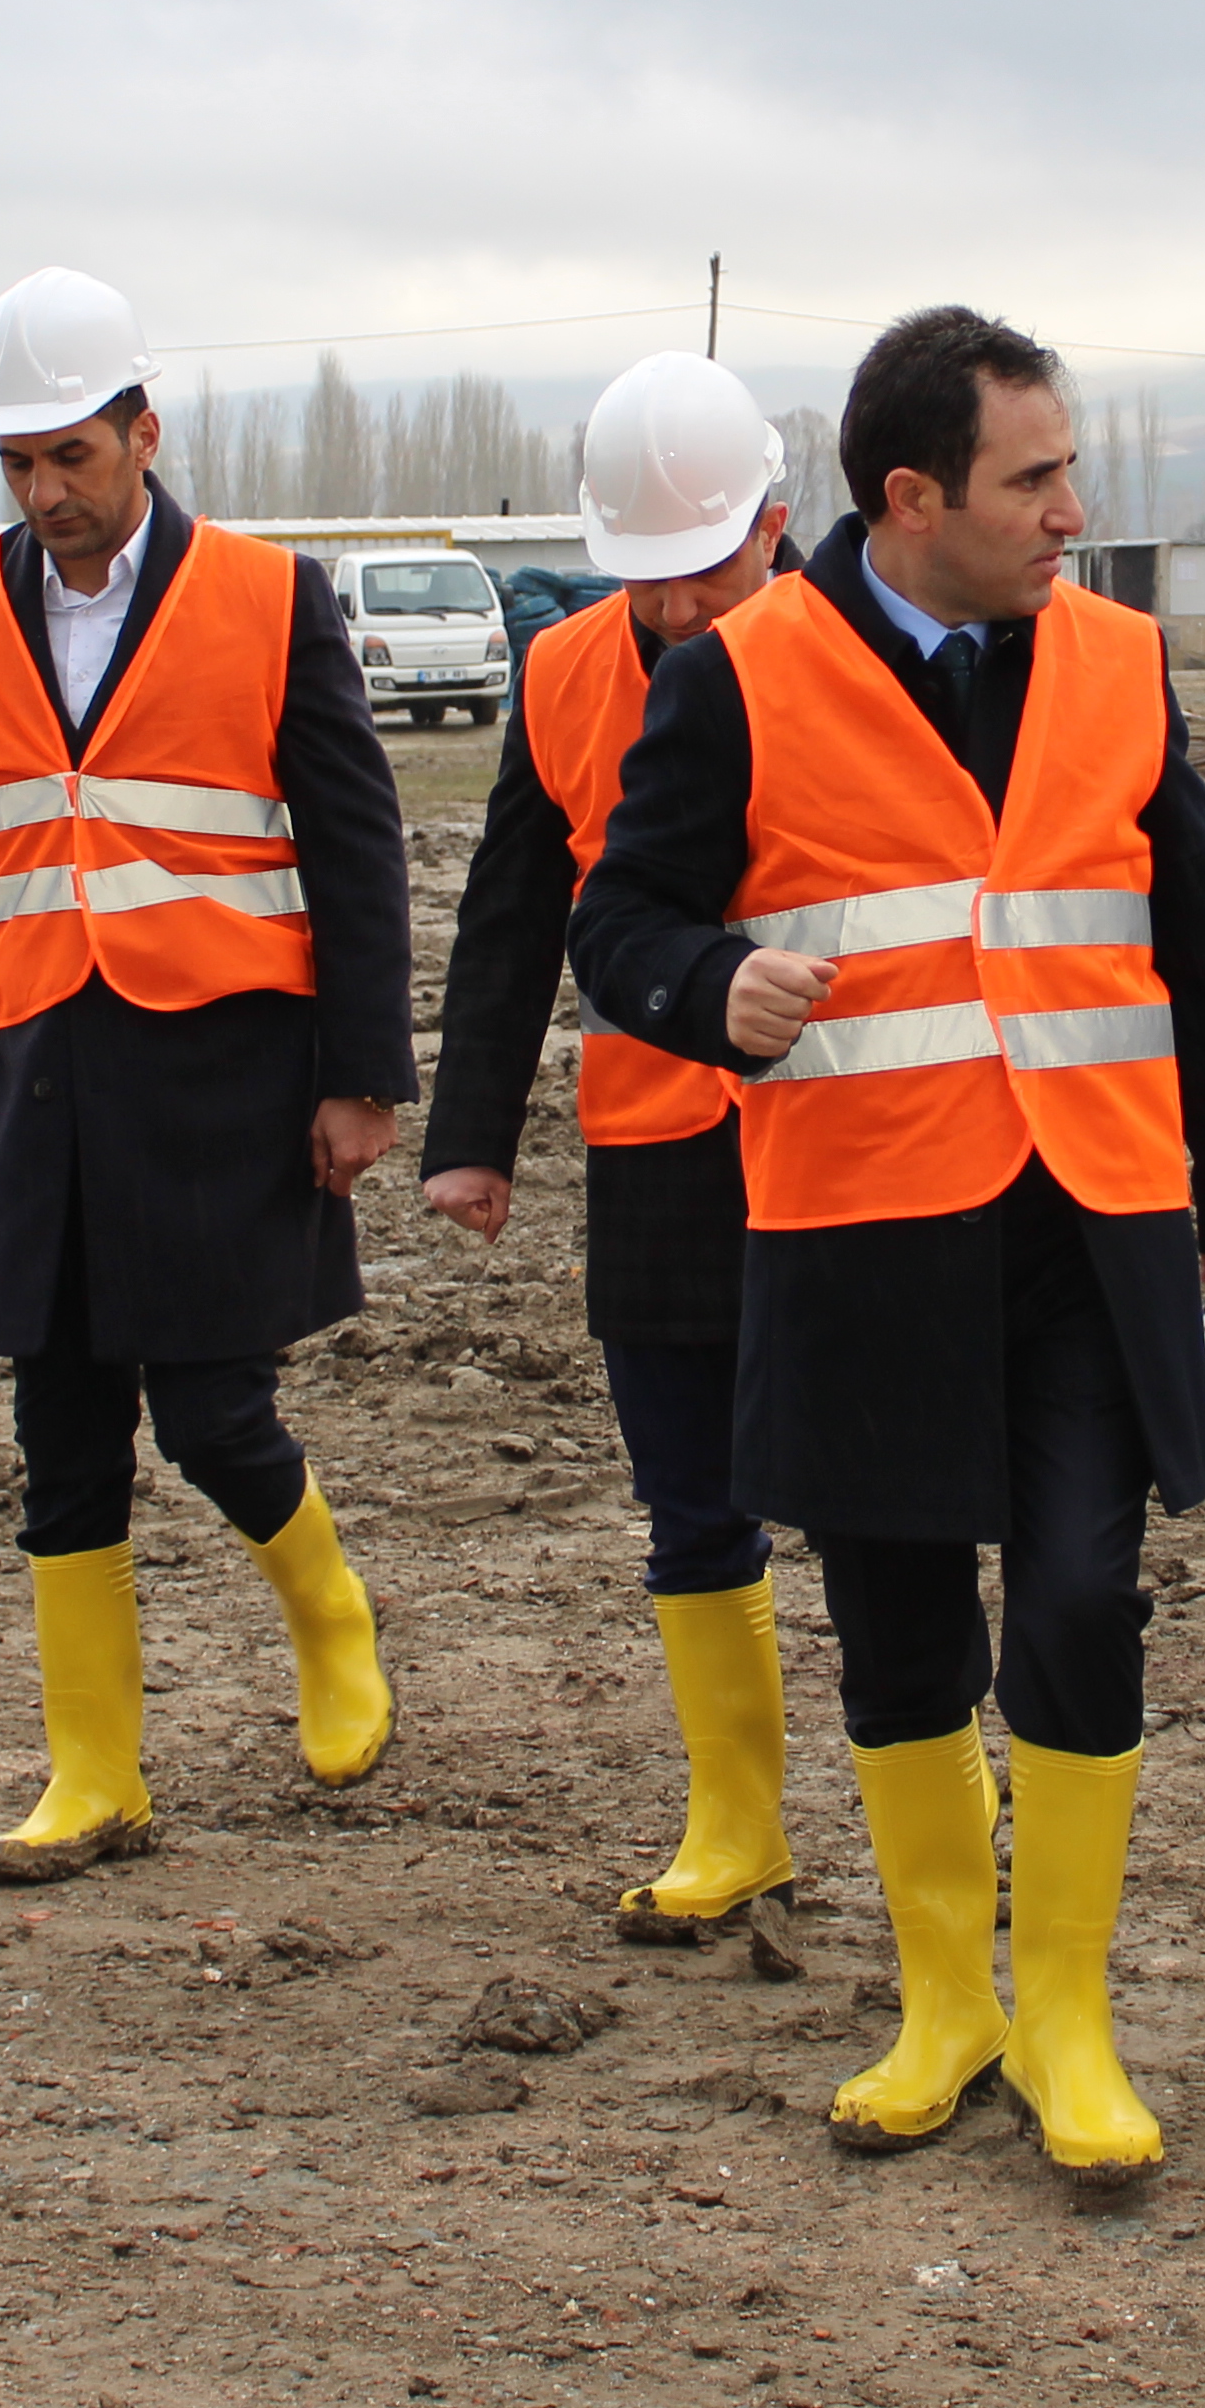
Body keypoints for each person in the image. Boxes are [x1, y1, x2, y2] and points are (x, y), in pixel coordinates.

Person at [570, 307, 1205, 2185]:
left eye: (1067, 467)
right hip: (856, 1227)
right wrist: (710, 984)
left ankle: (1064, 2013)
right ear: (911, 498)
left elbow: (1196, 950)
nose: (1072, 509)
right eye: (1034, 477)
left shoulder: (1120, 665)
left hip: (1089, 1220)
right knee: (897, 1632)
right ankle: (940, 2007)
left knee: (1075, 1597)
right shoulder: (742, 674)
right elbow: (620, 918)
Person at [0, 267, 417, 1883]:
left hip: (222, 1071)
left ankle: (327, 1613)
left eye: (71, 459)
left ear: (142, 433)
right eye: (17, 464)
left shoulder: (262, 594)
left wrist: (362, 1072)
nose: (46, 494)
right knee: (62, 1426)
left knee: (214, 1411)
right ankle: (93, 1776)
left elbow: (353, 840)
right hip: (40, 1071)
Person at [420, 351, 805, 1932]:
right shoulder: (564, 671)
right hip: (654, 1132)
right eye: (643, 580)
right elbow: (516, 906)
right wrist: (473, 1134)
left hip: (848, 1127)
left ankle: (948, 1772)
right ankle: (739, 1822)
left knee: (884, 1482)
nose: (674, 615)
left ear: (776, 526)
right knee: (687, 1488)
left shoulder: (862, 655)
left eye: (704, 574)